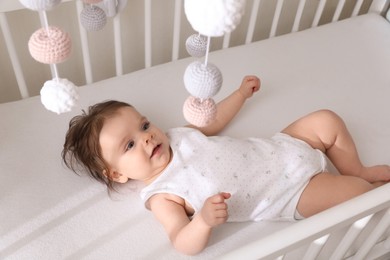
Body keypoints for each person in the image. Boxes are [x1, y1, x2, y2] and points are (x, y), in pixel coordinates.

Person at [62, 75, 390, 255]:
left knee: (326, 119)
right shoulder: (162, 194)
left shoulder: (178, 135)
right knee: (358, 195)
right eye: (130, 145)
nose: (147, 138)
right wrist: (202, 221)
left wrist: (239, 95)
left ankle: (355, 167)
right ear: (118, 174)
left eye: (144, 126)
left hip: (283, 146)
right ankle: (360, 182)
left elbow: (213, 121)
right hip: (289, 191)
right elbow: (181, 241)